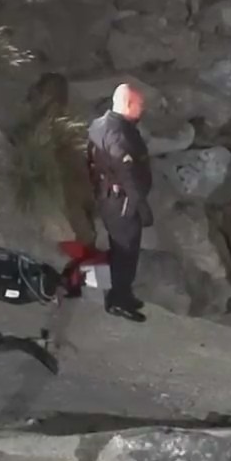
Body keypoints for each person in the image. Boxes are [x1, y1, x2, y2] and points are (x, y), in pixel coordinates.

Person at [86, 84, 152, 322]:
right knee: (126, 252)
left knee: (121, 249)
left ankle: (123, 292)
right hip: (121, 203)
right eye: (139, 105)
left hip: (108, 197)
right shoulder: (119, 136)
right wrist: (139, 209)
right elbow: (129, 178)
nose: (143, 109)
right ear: (127, 105)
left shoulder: (99, 124)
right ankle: (118, 300)